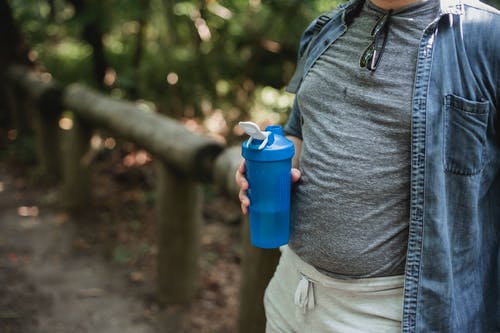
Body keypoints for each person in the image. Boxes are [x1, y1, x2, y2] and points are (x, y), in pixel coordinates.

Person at [235, 0, 500, 332]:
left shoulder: (486, 36)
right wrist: (269, 169)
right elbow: (298, 131)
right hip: (290, 291)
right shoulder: (325, 28)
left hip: (394, 313)